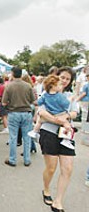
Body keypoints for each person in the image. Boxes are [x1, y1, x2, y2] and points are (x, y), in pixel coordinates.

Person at [38, 67, 78, 212]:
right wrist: (59, 120)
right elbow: (41, 112)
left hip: (66, 134)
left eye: (68, 79)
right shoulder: (47, 92)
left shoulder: (70, 95)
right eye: (62, 77)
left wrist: (66, 117)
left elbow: (74, 112)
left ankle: (58, 201)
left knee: (67, 168)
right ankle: (46, 189)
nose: (65, 81)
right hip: (49, 132)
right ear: (57, 77)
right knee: (51, 168)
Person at [29, 75, 73, 149]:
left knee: (39, 121)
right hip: (59, 114)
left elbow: (39, 102)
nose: (60, 86)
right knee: (68, 126)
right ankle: (66, 140)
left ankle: (34, 131)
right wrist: (70, 100)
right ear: (53, 86)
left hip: (49, 113)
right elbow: (66, 104)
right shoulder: (59, 95)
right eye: (59, 85)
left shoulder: (45, 95)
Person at [2, 67, 35, 167]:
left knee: (13, 137)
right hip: (26, 113)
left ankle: (12, 159)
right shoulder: (28, 86)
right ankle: (27, 160)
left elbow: (3, 103)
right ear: (21, 74)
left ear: (12, 74)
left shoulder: (9, 86)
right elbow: (32, 101)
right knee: (26, 137)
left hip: (13, 113)